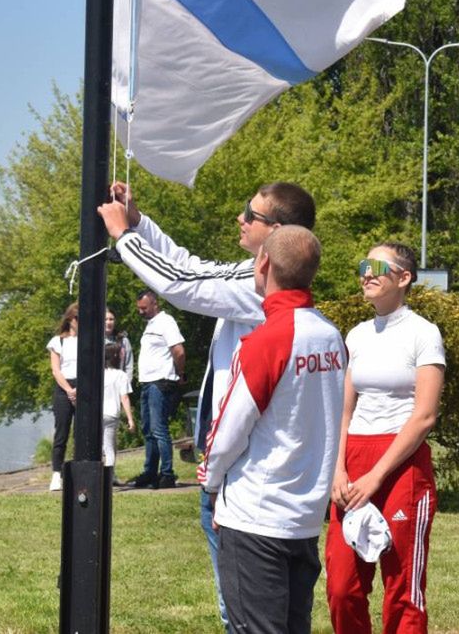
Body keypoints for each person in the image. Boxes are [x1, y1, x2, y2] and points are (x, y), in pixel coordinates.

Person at [97, 180, 315, 632]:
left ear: (275, 232)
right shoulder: (263, 280)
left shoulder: (259, 288)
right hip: (255, 481)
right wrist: (138, 220)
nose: (240, 219)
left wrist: (125, 237)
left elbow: (180, 283)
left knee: (242, 612)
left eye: (249, 214)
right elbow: (189, 266)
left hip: (241, 481)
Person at [198, 226, 346, 634]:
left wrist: (210, 484)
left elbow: (228, 429)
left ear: (263, 264)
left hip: (256, 516)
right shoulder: (331, 335)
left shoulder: (267, 339)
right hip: (303, 515)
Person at [326, 242, 446, 634]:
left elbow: (425, 415)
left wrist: (376, 476)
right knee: (342, 587)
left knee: (403, 588)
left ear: (404, 277)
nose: (366, 273)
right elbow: (343, 411)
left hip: (401, 467)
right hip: (352, 463)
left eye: (377, 266)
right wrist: (338, 470)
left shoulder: (423, 334)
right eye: (363, 265)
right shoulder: (356, 335)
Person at [133, 289, 186, 489]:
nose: (140, 312)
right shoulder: (150, 326)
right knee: (148, 430)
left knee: (158, 429)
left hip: (160, 382)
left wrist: (180, 374)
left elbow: (179, 351)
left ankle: (167, 474)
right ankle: (150, 472)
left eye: (144, 308)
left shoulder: (166, 322)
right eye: (139, 308)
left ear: (155, 304)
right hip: (147, 383)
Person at [46, 302, 79, 492]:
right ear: (70, 319)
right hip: (63, 387)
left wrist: (79, 388)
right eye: (77, 319)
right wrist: (68, 389)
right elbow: (56, 370)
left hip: (82, 386)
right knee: (61, 432)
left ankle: (75, 470)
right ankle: (56, 473)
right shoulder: (58, 341)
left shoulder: (88, 340)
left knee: (81, 432)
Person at [103, 342, 135, 472]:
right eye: (121, 352)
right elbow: (124, 398)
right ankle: (108, 479)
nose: (123, 354)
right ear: (115, 355)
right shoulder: (121, 375)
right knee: (110, 448)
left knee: (102, 447)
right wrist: (130, 419)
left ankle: (100, 476)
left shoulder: (99, 374)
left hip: (97, 414)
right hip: (111, 414)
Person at [105, 307, 134, 386]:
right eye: (105, 319)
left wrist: (127, 384)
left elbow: (128, 365)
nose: (108, 322)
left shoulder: (123, 341)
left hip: (119, 383)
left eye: (111, 319)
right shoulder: (95, 341)